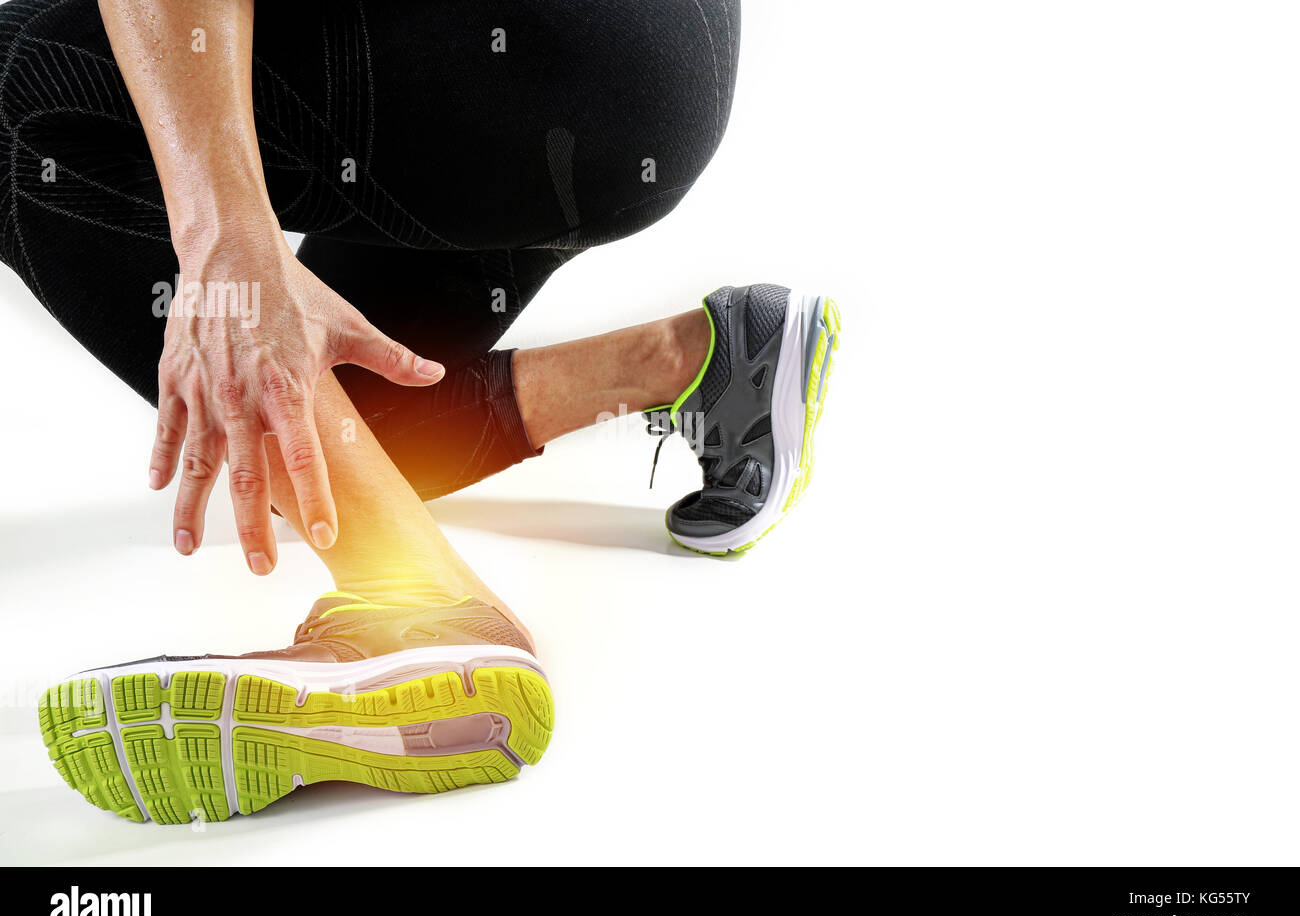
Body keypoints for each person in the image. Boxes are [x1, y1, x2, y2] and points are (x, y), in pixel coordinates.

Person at [6, 0, 839, 824]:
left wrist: (227, 241)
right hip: (623, 64)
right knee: (320, 414)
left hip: (558, 56)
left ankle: (420, 606)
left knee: (28, 78)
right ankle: (701, 360)